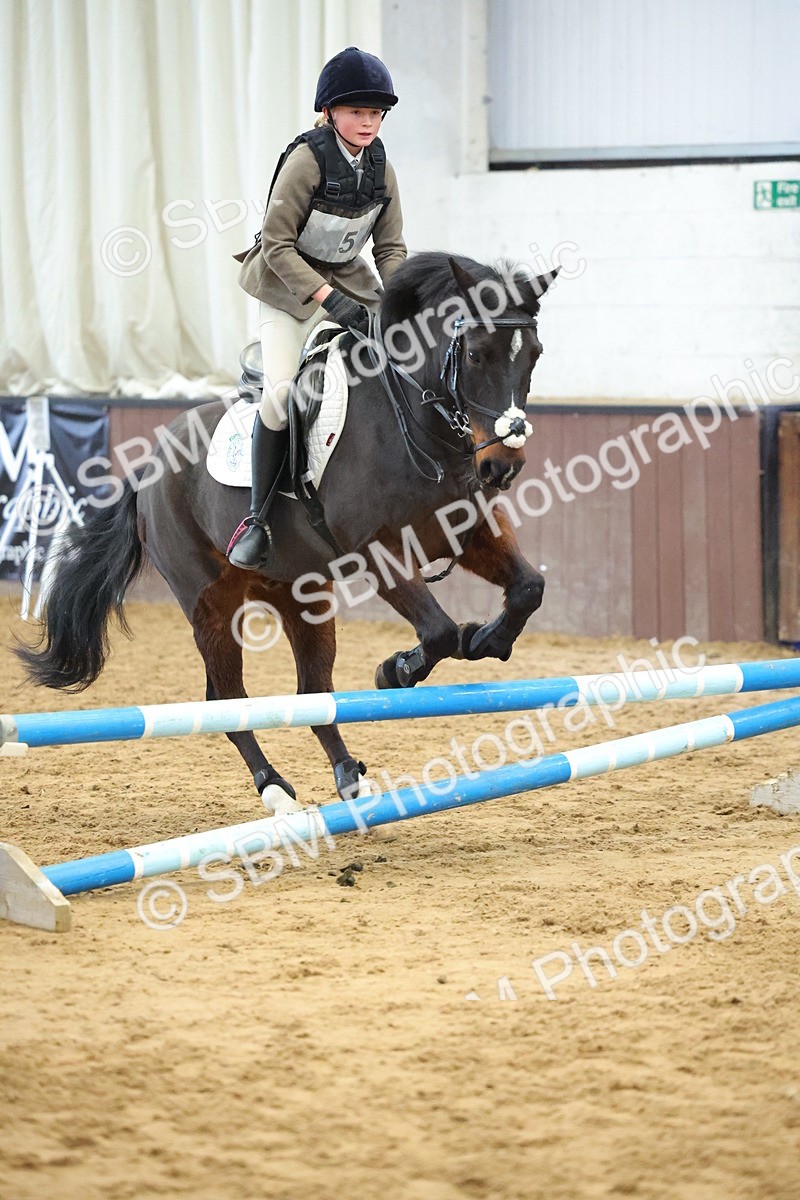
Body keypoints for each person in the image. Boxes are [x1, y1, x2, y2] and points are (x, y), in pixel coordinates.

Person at [228, 46, 407, 569]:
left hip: (351, 283)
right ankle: (258, 518)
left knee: (409, 360)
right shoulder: (306, 158)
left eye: (375, 113)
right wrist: (330, 301)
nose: (368, 122)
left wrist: (396, 304)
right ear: (330, 112)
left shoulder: (382, 168)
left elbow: (390, 250)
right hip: (286, 288)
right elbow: (277, 246)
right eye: (357, 111)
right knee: (282, 393)